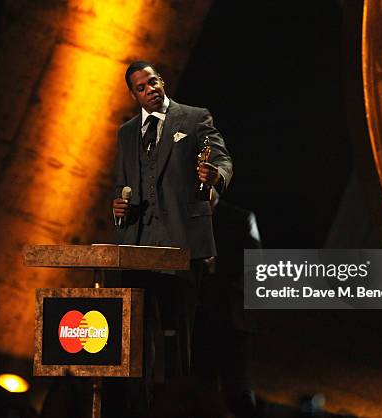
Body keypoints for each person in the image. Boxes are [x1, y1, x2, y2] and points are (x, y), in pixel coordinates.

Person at [110, 60, 232, 415]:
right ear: (134, 94)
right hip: (137, 246)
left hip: (181, 244)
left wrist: (214, 177)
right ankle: (138, 406)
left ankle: (180, 407)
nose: (151, 89)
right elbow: (122, 182)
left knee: (178, 337)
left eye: (154, 81)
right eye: (142, 87)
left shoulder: (194, 118)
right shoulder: (127, 132)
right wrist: (118, 204)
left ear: (162, 81)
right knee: (136, 339)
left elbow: (222, 161)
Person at [191, 193, 262, 418]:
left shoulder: (240, 219)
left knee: (238, 391)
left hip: (232, 321)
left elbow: (254, 269)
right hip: (199, 320)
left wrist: (215, 270)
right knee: (201, 391)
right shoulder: (185, 218)